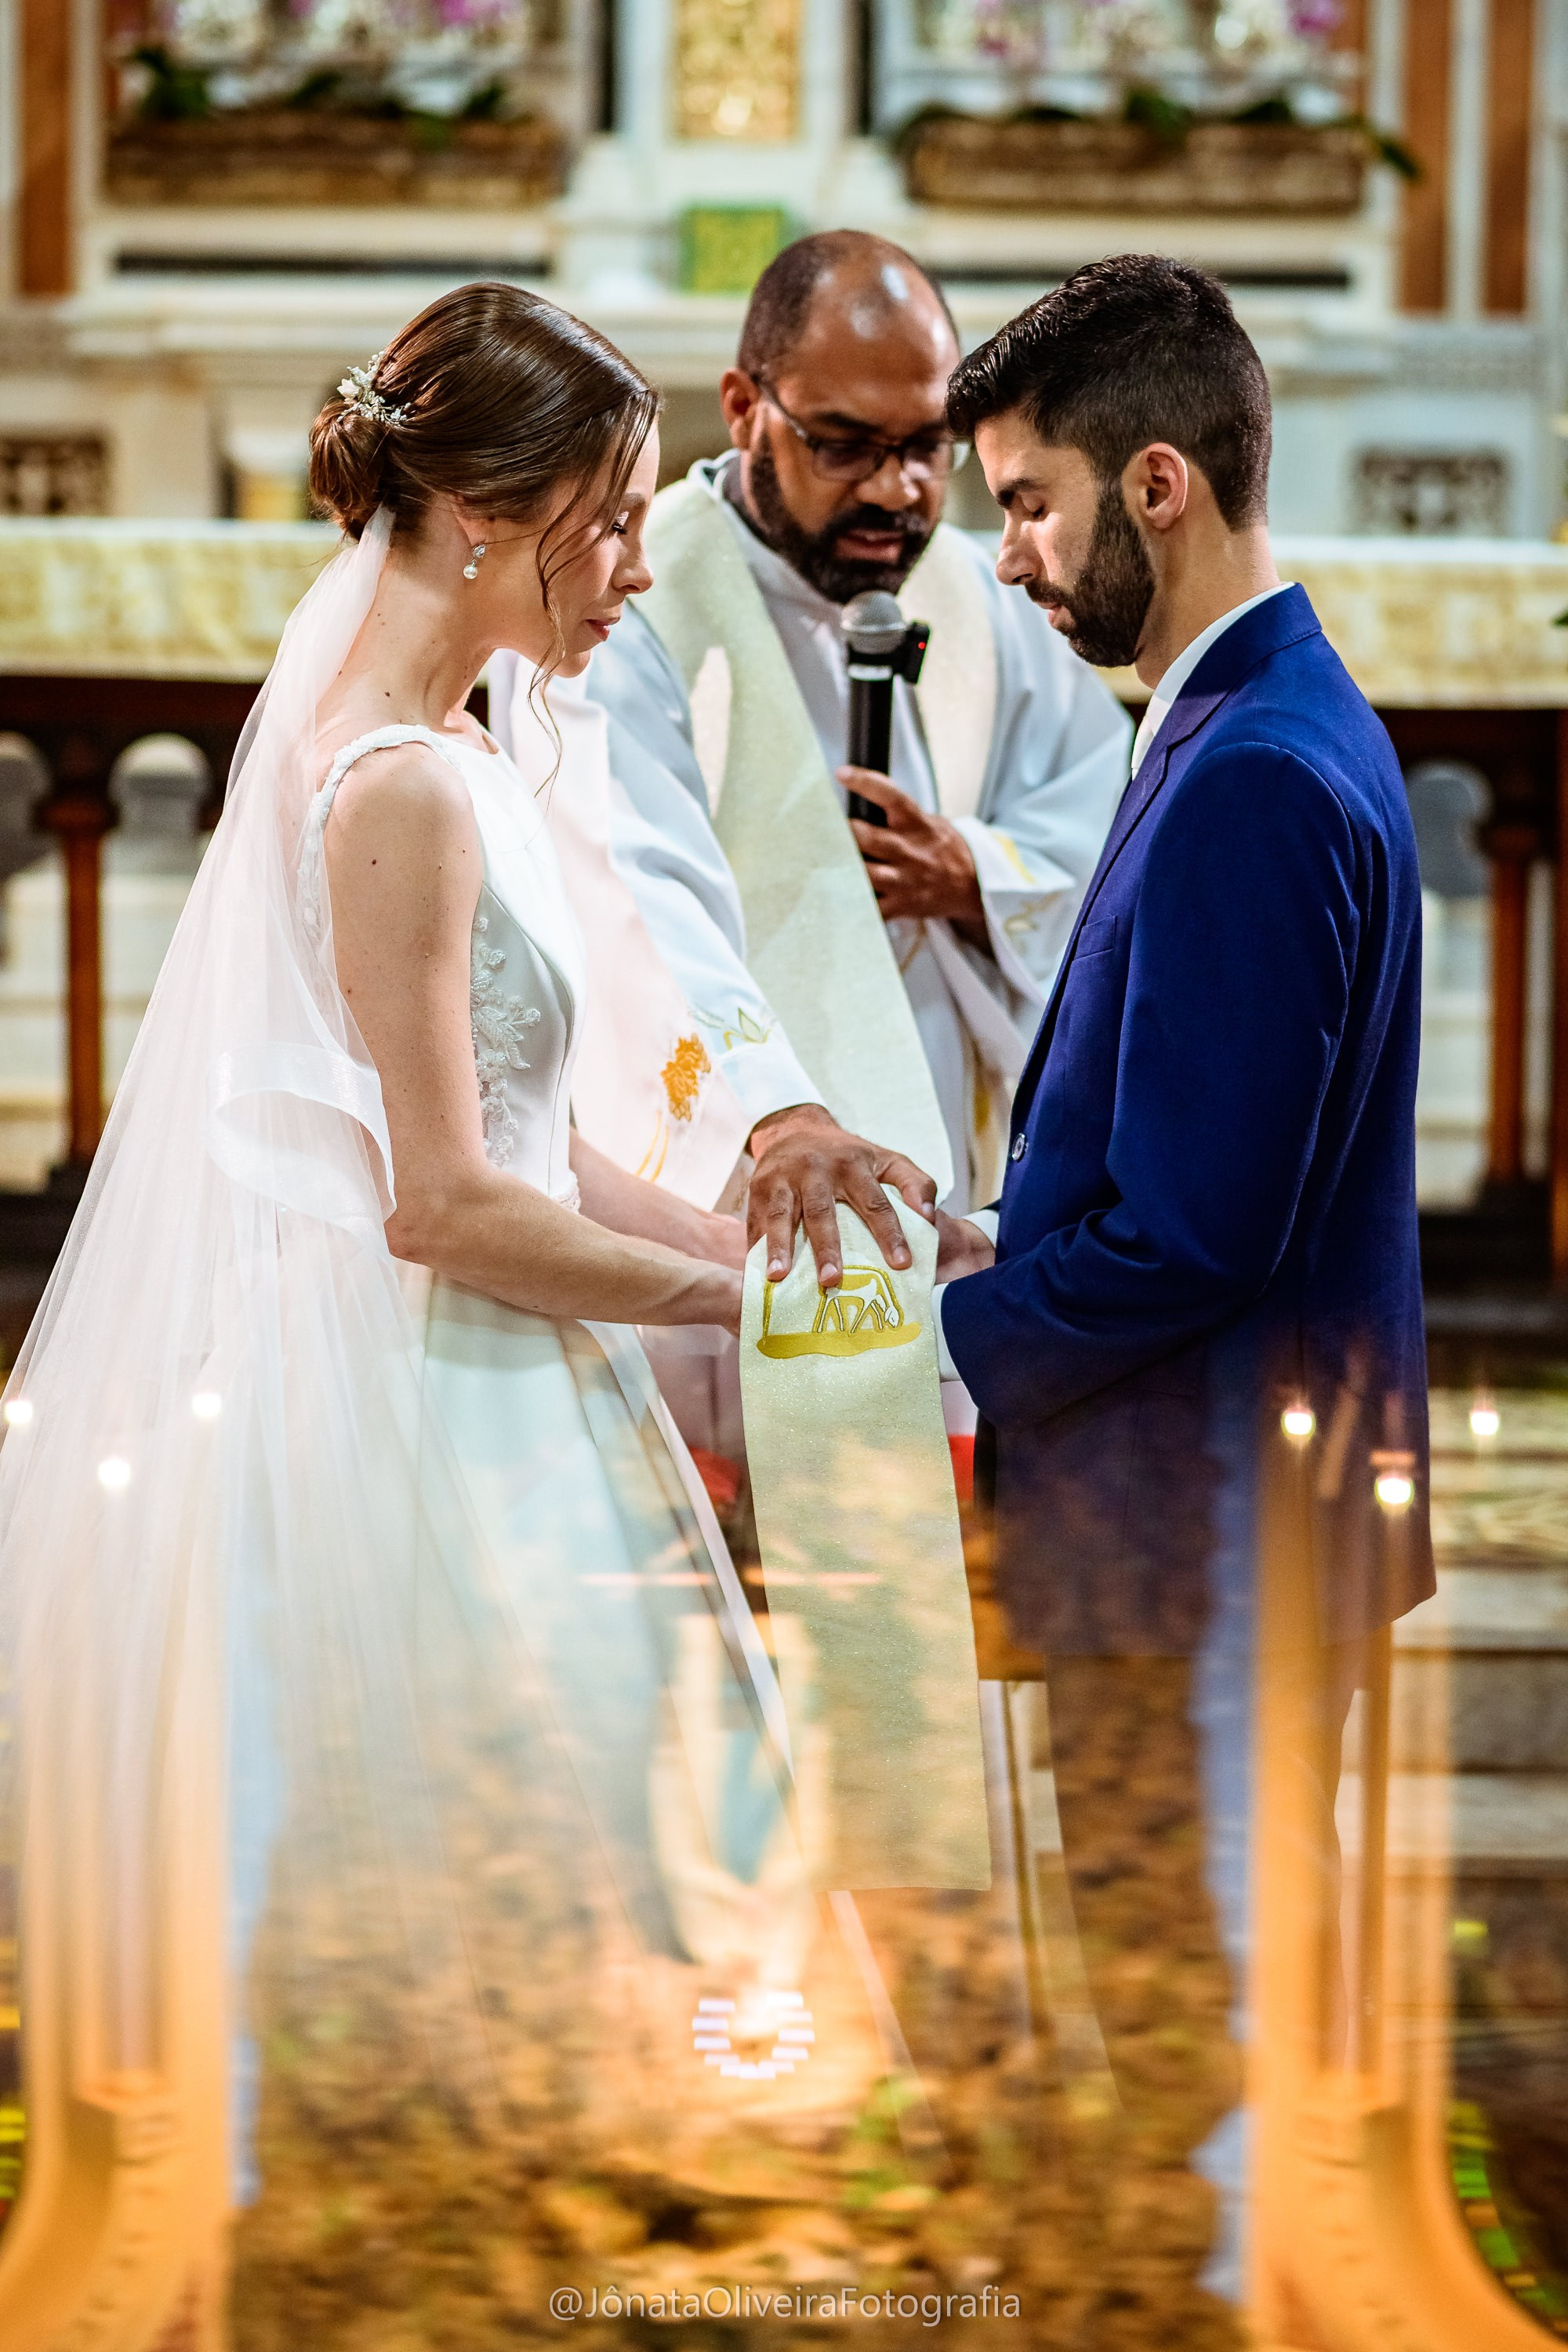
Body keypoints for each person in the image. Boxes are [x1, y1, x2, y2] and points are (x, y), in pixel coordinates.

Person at [0, 285, 923, 2329]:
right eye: (605, 519)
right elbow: (443, 1205)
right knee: (509, 1885)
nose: (627, 567)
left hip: (515, 1373)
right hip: (429, 1400)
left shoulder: (464, 753)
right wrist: (726, 1299)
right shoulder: (398, 791)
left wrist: (778, 1254)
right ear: (489, 518)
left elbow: (538, 1136)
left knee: (586, 1879)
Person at [933, 257, 1436, 2337]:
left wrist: (940, 1347)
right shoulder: (1252, 710)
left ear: (1157, 483)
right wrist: (990, 1233)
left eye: (1030, 504)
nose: (1013, 558)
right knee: (1201, 2012)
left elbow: (1198, 1237)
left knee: (1192, 2035)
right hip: (1218, 1509)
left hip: (1199, 1533)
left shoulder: (1247, 768)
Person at [491, 229, 1128, 1450]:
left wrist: (978, 877)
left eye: (928, 448)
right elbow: (633, 881)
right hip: (727, 1157)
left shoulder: (982, 593)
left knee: (921, 1550)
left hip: (938, 1105)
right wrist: (778, 1112)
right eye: (845, 445)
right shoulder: (634, 591)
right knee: (735, 1525)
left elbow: (1100, 813)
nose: (897, 491)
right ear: (744, 407)